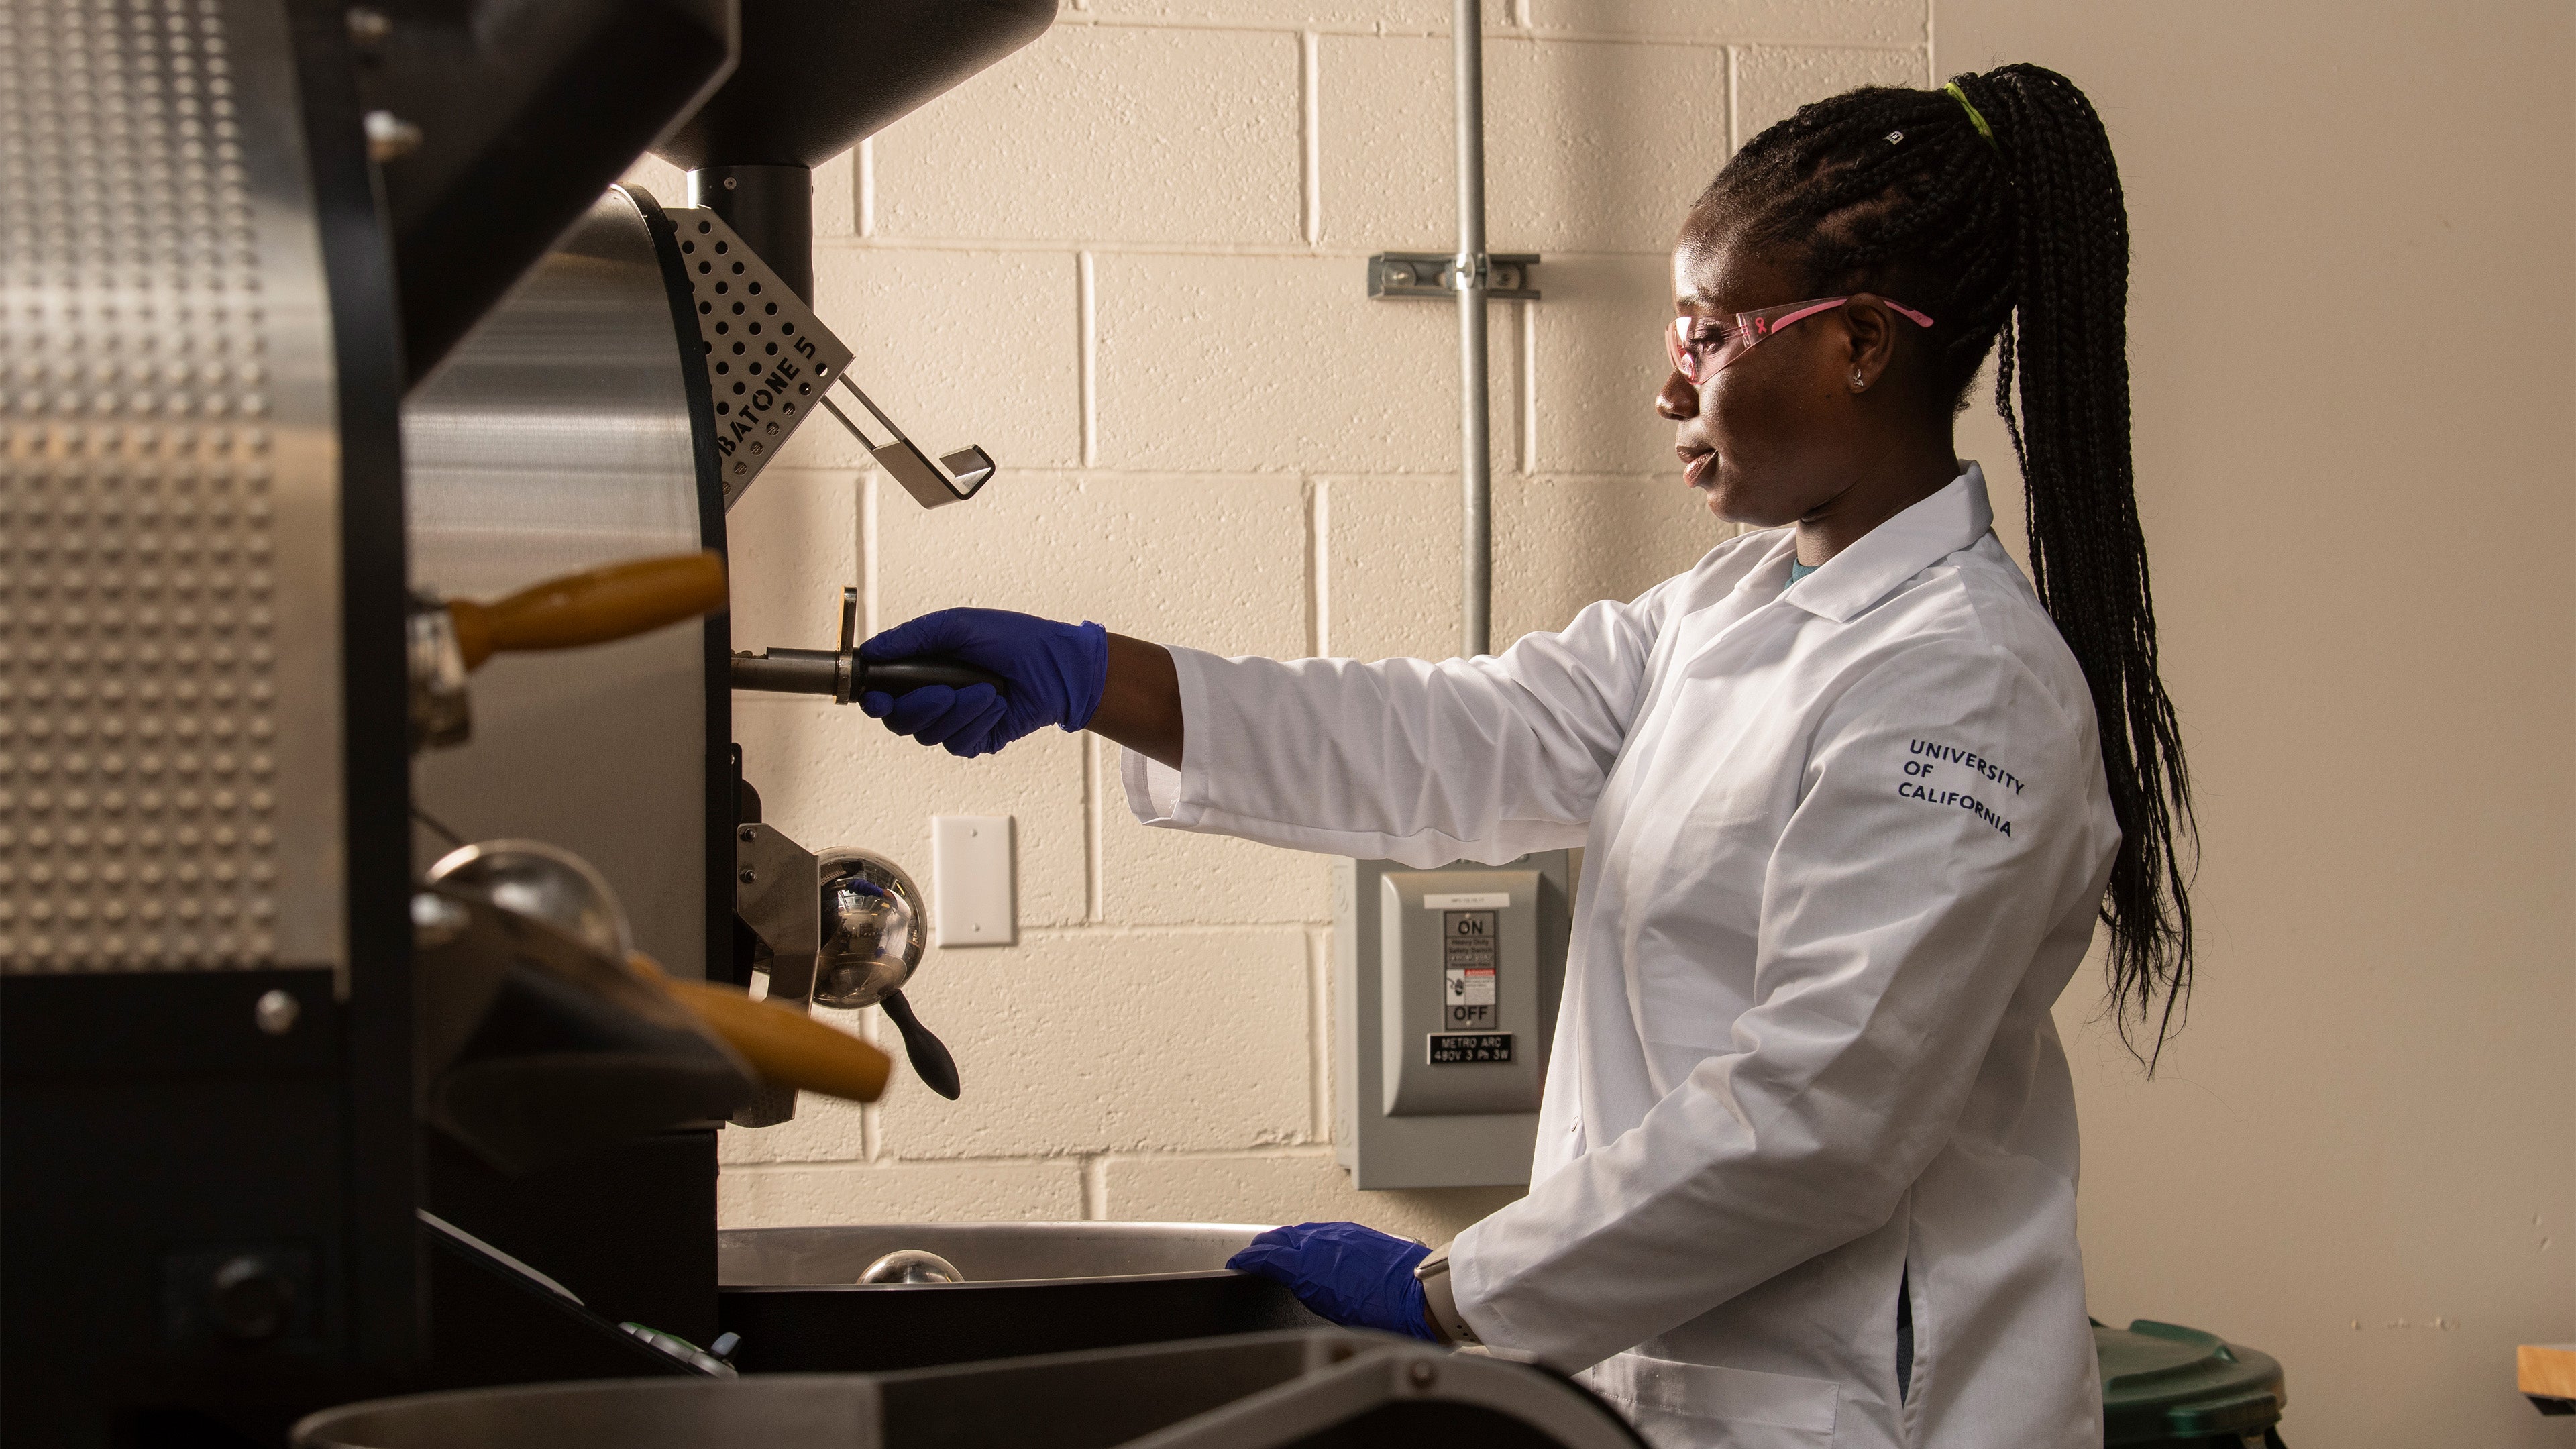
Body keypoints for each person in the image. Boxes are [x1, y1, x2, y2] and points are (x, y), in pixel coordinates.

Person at [853, 64, 2194, 1449]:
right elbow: (1458, 734)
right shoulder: (1730, 612)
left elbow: (1821, 1122)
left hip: (1866, 1410)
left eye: (1711, 331)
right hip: (1687, 1390)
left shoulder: (1961, 686)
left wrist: (1449, 1298)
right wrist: (1099, 679)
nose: (1669, 381)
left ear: (1859, 344)